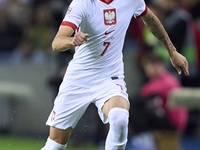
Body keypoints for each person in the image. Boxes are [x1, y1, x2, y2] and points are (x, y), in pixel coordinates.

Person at [41, 0, 189, 150]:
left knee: (119, 118)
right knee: (55, 145)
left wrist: (172, 51)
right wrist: (72, 40)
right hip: (79, 78)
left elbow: (150, 19)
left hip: (110, 77)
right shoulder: (83, 3)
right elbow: (57, 42)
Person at [140, 54, 188, 150]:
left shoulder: (162, 84)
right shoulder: (170, 80)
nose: (146, 70)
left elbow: (144, 94)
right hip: (170, 128)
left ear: (157, 66)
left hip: (168, 130)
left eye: (148, 66)